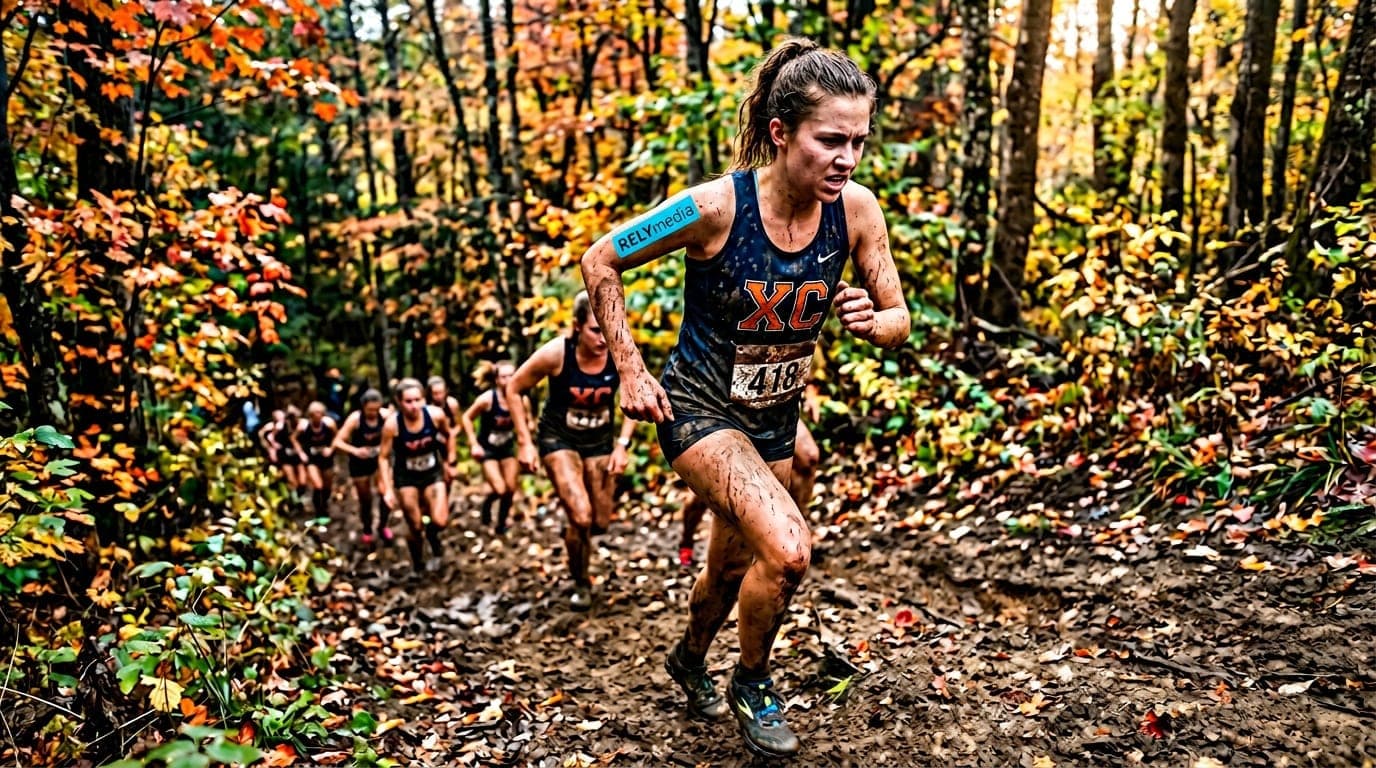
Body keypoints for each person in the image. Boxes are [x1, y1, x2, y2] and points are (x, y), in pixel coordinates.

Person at [579, 38, 910, 758]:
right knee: (789, 552)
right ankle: (753, 682)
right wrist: (630, 371)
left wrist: (873, 321)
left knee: (731, 571)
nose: (847, 159)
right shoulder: (713, 207)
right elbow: (601, 257)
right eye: (830, 141)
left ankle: (689, 658)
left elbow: (898, 317)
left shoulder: (856, 212)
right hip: (700, 412)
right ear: (780, 131)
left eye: (858, 142)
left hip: (773, 420)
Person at [506, 291, 636, 610]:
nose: (603, 339)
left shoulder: (621, 351)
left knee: (599, 522)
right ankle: (580, 582)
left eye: (608, 328)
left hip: (599, 442)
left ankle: (575, 533)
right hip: (559, 438)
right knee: (581, 515)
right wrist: (524, 442)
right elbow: (514, 388)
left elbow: (637, 393)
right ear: (577, 326)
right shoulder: (556, 354)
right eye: (595, 330)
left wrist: (622, 445)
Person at [678, 419, 818, 569]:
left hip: (773, 409)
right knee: (711, 482)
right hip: (726, 411)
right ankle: (687, 539)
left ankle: (793, 534)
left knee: (808, 457)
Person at [378, 378, 457, 574]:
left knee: (440, 520)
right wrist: (387, 489)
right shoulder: (392, 425)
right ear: (399, 402)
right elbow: (383, 457)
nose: (414, 406)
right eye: (408, 401)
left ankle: (433, 537)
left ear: (424, 399)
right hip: (406, 478)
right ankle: (417, 562)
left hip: (432, 473)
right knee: (415, 525)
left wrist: (450, 462)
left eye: (417, 400)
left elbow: (449, 435)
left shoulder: (436, 415)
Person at [460, 361, 529, 535]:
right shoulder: (487, 399)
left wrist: (529, 431)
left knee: (510, 489)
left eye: (511, 375)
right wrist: (473, 444)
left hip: (507, 448)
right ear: (497, 380)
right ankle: (488, 504)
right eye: (504, 376)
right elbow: (466, 418)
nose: (508, 380)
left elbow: (528, 420)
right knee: (500, 489)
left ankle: (501, 523)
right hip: (487, 449)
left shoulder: (522, 399)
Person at [333, 388, 394, 550]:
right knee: (365, 498)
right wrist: (355, 451)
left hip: (379, 460)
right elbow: (337, 442)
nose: (373, 413)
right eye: (369, 410)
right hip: (359, 462)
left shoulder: (386, 416)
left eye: (376, 409)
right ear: (363, 407)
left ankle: (383, 525)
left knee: (385, 493)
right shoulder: (355, 419)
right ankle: (367, 527)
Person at [291, 401, 339, 517]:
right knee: (318, 485)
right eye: (314, 413)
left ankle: (325, 504)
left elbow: (338, 437)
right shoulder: (304, 426)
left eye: (319, 413)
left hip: (326, 458)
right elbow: (293, 438)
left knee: (327, 486)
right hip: (312, 459)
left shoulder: (329, 423)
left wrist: (331, 449)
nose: (317, 416)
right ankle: (318, 511)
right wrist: (301, 453)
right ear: (310, 415)